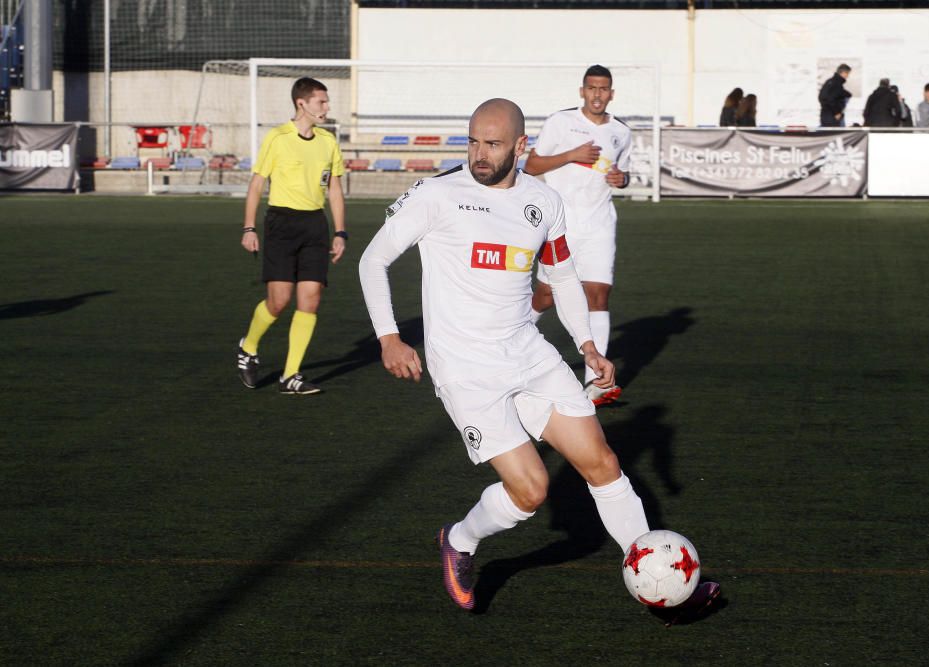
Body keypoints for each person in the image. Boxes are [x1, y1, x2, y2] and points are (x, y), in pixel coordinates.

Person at [358, 98, 719, 614]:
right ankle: (459, 541)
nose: (480, 154)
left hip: (528, 352)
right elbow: (374, 260)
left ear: (521, 146)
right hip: (465, 367)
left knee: (603, 463)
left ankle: (658, 585)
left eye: (494, 144)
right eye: (474, 141)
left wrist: (588, 345)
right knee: (531, 491)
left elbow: (562, 276)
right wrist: (389, 337)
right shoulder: (437, 194)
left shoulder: (542, 201)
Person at [523, 65, 630, 407]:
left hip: (600, 224)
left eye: (604, 89)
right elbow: (532, 167)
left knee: (598, 295)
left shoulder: (621, 132)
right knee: (547, 295)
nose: (598, 94)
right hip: (561, 222)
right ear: (582, 91)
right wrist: (572, 155)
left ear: (611, 93)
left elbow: (623, 172)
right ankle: (508, 340)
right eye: (592, 88)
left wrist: (622, 180)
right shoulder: (560, 122)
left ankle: (595, 383)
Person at [235, 77, 347, 395]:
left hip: (315, 225)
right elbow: (257, 184)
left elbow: (335, 189)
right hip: (281, 224)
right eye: (321, 102)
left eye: (326, 102)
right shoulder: (278, 137)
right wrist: (249, 227)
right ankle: (248, 347)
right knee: (279, 300)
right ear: (302, 103)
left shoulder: (328, 141)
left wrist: (340, 231)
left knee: (310, 299)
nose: (326, 107)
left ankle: (291, 375)